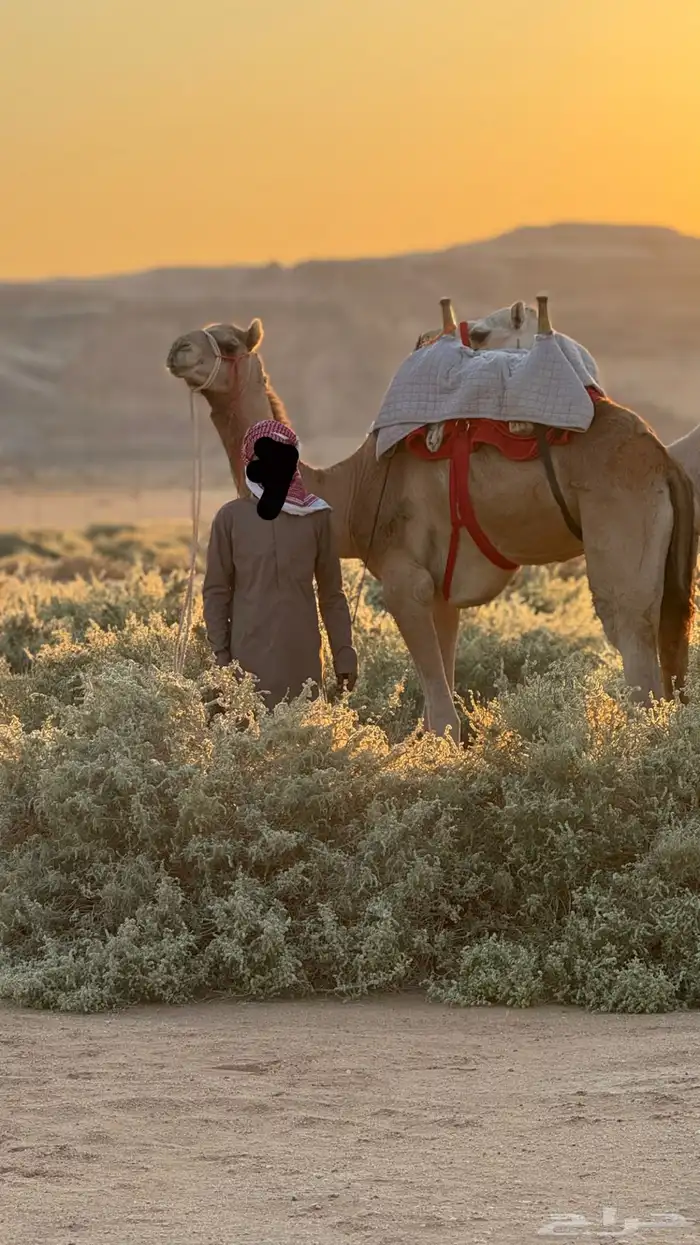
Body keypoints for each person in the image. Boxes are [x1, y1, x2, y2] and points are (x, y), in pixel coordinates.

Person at [202, 419, 358, 710]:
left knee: (302, 743)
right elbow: (216, 593)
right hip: (245, 663)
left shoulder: (316, 517)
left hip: (302, 659)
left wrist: (344, 653)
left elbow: (332, 595)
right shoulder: (230, 519)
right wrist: (220, 659)